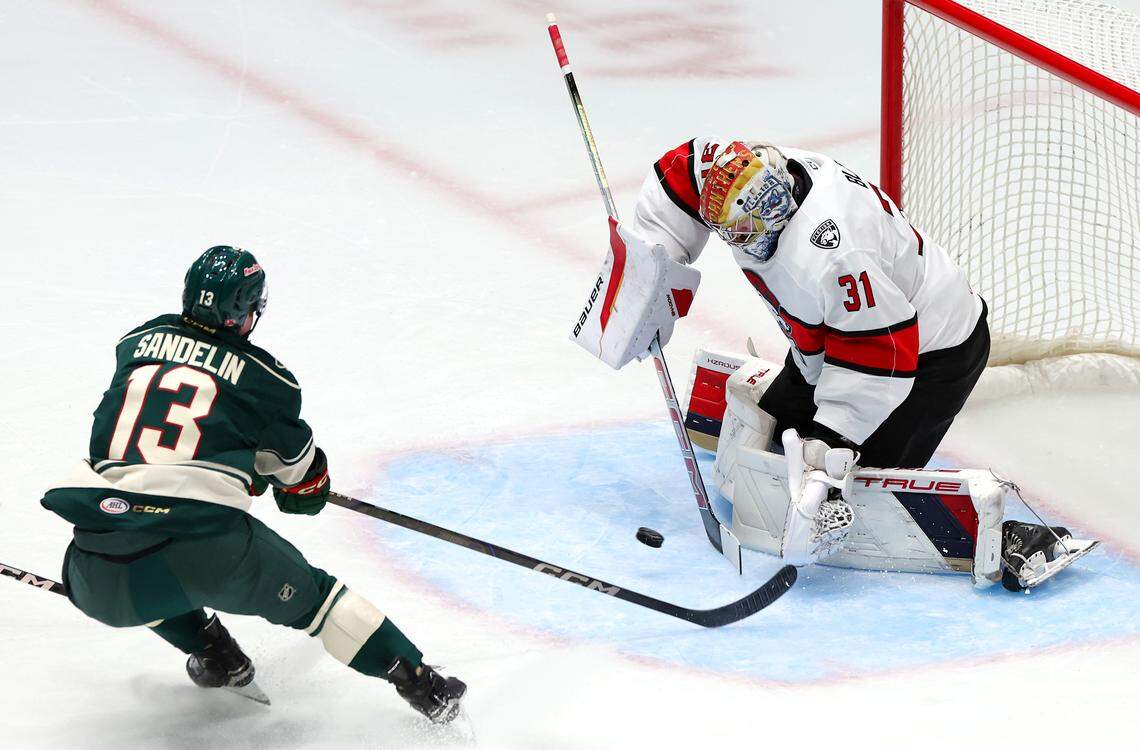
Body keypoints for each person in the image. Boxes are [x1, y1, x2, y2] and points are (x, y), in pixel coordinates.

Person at [40, 246, 466, 722]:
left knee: (139, 570)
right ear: (245, 310)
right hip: (205, 547)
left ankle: (216, 654)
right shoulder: (269, 381)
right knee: (321, 604)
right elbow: (299, 490)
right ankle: (426, 688)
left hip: (95, 564)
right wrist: (301, 485)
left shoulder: (136, 342)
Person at [630, 138, 1062, 576]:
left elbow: (883, 354)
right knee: (782, 443)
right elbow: (683, 174)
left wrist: (831, 447)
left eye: (746, 231)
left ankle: (1005, 537)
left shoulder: (835, 253)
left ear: (776, 212)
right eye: (731, 231)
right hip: (837, 338)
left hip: (930, 357)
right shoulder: (745, 175)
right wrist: (653, 267)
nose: (740, 243)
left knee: (854, 483)